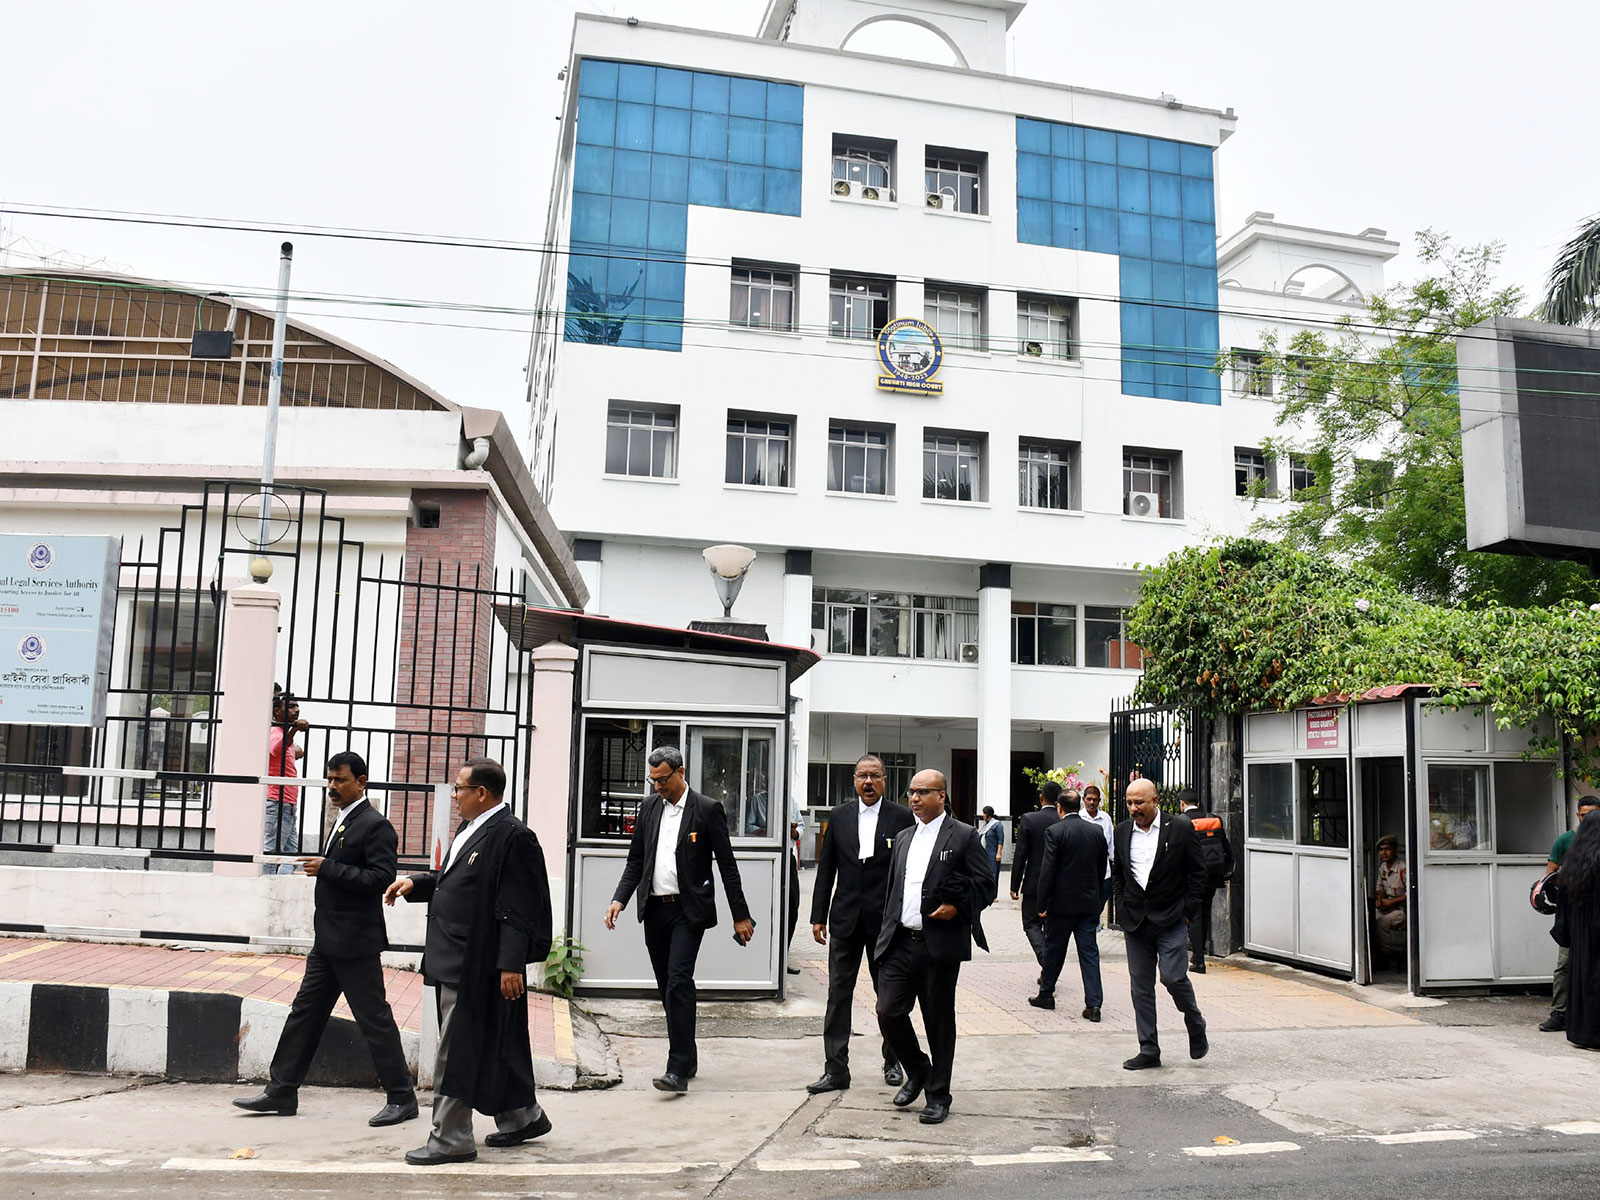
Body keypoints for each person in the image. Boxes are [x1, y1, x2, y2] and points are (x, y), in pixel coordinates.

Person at [233, 751, 417, 1126]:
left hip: (355, 941)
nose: (332, 787)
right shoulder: (344, 819)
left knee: (373, 1018)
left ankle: (402, 1096)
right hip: (329, 940)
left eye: (341, 780)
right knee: (305, 1014)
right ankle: (281, 1090)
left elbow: (381, 878)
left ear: (361, 782)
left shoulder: (374, 824)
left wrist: (328, 868)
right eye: (329, 780)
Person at [385, 758, 554, 1165]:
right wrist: (418, 883)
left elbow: (516, 905)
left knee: (456, 1050)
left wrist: (511, 963)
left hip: (477, 962)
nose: (455, 794)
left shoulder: (514, 837)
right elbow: (453, 879)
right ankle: (521, 1117)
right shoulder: (469, 828)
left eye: (460, 788)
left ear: (482, 793)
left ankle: (451, 1138)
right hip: (451, 953)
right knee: (492, 1043)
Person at [605, 746, 753, 1094]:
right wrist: (618, 899)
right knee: (667, 989)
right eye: (652, 780)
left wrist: (740, 915)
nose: (658, 786)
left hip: (689, 911)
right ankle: (688, 1053)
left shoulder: (706, 809)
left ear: (681, 773)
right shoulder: (648, 807)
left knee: (678, 981)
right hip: (654, 909)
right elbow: (635, 861)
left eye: (663, 779)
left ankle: (676, 1070)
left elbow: (727, 866)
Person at [875, 769, 992, 1125]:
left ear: (942, 796)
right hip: (900, 942)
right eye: (911, 792)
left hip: (937, 946)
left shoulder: (965, 836)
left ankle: (938, 1095)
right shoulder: (904, 837)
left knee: (938, 1021)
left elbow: (986, 885)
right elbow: (895, 890)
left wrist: (958, 908)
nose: (914, 798)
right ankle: (919, 1069)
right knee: (888, 1012)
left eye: (923, 792)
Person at [806, 754, 916, 1095]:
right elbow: (826, 869)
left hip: (886, 924)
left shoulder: (901, 817)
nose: (868, 783)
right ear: (854, 780)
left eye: (875, 776)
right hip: (845, 920)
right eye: (862, 776)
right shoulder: (838, 817)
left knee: (890, 998)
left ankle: (893, 1061)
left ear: (885, 781)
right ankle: (836, 1069)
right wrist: (817, 915)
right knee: (838, 995)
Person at [1112, 778, 1209, 1070]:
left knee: (1172, 977)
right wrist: (1120, 903)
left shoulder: (1179, 828)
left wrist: (1187, 912)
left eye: (1139, 802)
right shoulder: (1121, 831)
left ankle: (1194, 1020)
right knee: (1141, 986)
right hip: (1135, 921)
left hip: (1171, 919)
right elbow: (1118, 873)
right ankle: (1149, 1049)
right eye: (1129, 802)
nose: (1133, 808)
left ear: (1155, 800)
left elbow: (1198, 873)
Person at [1032, 789, 1109, 1020]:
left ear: (1059, 808)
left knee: (1055, 948)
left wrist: (1041, 901)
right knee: (1089, 953)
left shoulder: (1055, 831)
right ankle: (1094, 1005)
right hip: (1088, 903)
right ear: (1080, 806)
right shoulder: (1096, 831)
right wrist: (1095, 894)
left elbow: (1048, 870)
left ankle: (1046, 994)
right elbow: (1101, 866)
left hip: (1061, 904)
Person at [1541, 795, 1600, 1032]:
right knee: (1566, 966)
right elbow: (1551, 876)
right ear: (1578, 816)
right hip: (1581, 923)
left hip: (1580, 922)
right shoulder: (1567, 841)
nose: (1588, 819)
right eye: (1585, 815)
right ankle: (1560, 1013)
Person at [1177, 790, 1234, 973]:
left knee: (1194, 914)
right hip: (1213, 874)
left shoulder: (1181, 822)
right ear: (1198, 804)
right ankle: (1199, 955)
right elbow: (1226, 846)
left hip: (1192, 876)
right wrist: (1229, 867)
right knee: (1206, 911)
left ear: (1182, 803)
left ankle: (1198, 960)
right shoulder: (1214, 819)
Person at [1010, 781, 1062, 974]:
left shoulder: (1029, 819)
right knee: (1051, 928)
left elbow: (1021, 854)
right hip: (1059, 885)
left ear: (1041, 798)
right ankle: (1048, 971)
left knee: (1031, 924)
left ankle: (1046, 962)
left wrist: (1014, 884)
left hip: (1034, 883)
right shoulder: (1063, 820)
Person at [264, 688, 308, 874]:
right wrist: (295, 730)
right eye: (290, 707)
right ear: (276, 711)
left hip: (288, 802)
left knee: (290, 853)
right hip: (278, 801)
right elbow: (276, 749)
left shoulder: (283, 733)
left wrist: (294, 741)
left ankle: (280, 884)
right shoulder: (275, 731)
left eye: (297, 706)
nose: (296, 710)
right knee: (273, 852)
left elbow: (295, 751)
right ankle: (264, 886)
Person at [1080, 784, 1115, 923]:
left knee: (1098, 905)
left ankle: (1092, 926)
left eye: (1095, 799)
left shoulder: (1105, 819)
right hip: (1082, 872)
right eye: (1089, 799)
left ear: (1099, 801)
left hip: (1104, 873)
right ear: (1083, 799)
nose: (1091, 802)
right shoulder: (1079, 817)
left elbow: (1111, 844)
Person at [1373, 834, 1407, 968]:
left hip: (1402, 909)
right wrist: (1380, 899)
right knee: (1372, 917)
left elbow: (1411, 893)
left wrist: (1392, 902)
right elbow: (1380, 887)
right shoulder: (1382, 868)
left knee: (1382, 922)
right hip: (1388, 906)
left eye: (1387, 849)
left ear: (1395, 850)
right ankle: (1377, 953)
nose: (1384, 853)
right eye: (1381, 850)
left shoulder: (1402, 868)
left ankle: (1385, 956)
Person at [977, 806, 1005, 901]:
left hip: (992, 853)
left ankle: (993, 895)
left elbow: (1000, 840)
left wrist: (999, 853)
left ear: (988, 814)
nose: (983, 815)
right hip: (984, 853)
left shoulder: (997, 825)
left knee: (993, 874)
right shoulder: (985, 825)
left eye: (984, 813)